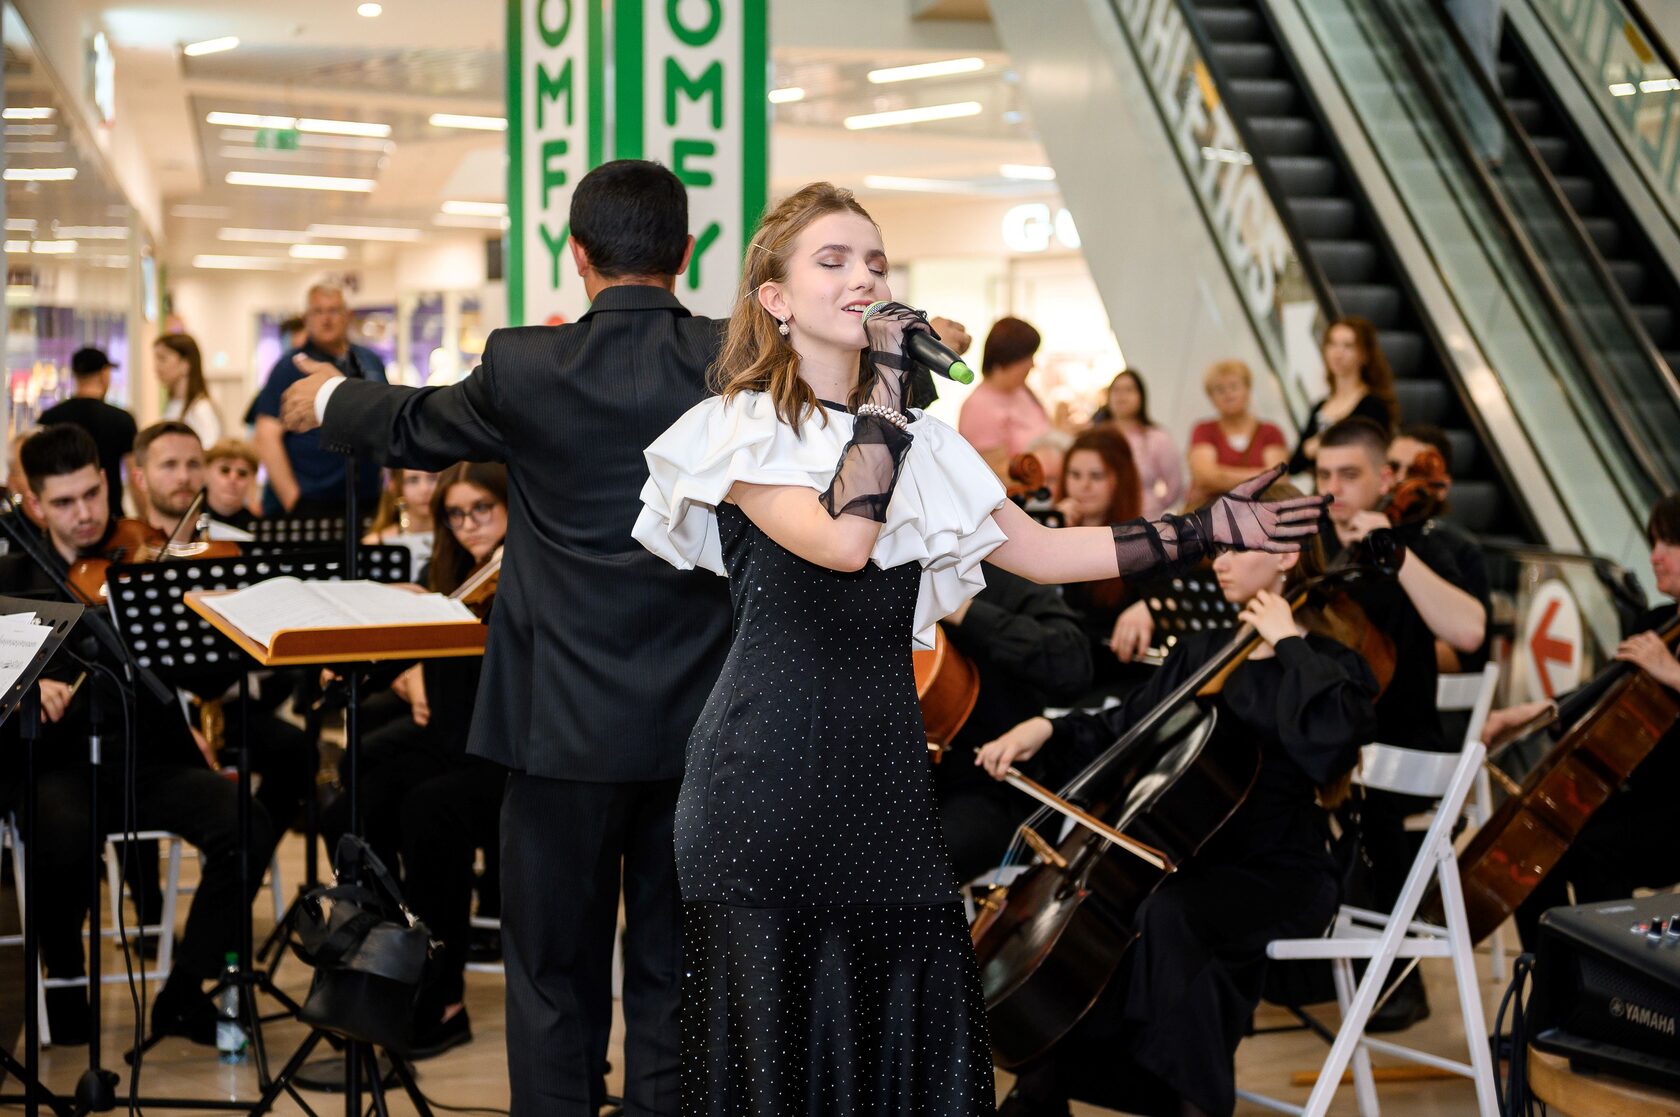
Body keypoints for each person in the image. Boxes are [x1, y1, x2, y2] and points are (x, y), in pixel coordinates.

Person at [630, 181, 1328, 1115]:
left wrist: (1200, 529)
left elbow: (1044, 552)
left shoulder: (919, 441)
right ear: (776, 298)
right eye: (832, 261)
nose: (863, 277)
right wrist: (890, 386)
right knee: (781, 1067)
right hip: (765, 785)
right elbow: (845, 539)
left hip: (885, 784)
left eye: (874, 261)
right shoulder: (744, 425)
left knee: (910, 1052)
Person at [280, 160, 736, 1117]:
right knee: (674, 971)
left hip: (557, 727)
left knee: (551, 974)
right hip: (699, 726)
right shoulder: (734, 358)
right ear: (687, 252)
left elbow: (416, 422)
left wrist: (325, 400)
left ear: (577, 256)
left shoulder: (528, 364)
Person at [975, 483, 1378, 1117]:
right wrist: (1047, 729)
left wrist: (1288, 642)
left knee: (1172, 915)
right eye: (1218, 547)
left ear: (1286, 554)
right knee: (1131, 912)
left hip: (1281, 871)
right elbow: (1126, 730)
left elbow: (1333, 744)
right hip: (1187, 861)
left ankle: (1183, 1100)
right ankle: (1051, 1083)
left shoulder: (1329, 661)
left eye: (1236, 547)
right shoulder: (1203, 652)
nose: (1219, 561)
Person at [0, 424, 271, 1046]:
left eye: (92, 494)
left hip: (145, 759)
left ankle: (184, 991)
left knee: (245, 822)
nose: (85, 514)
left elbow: (206, 675)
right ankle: (66, 984)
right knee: (61, 831)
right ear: (35, 504)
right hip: (58, 766)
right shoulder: (12, 577)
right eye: (64, 502)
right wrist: (24, 689)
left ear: (107, 481)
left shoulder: (145, 560)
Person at [321, 462, 509, 1057]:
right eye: (455, 514)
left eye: (481, 509)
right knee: (349, 802)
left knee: (430, 812)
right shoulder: (452, 572)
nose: (468, 524)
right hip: (451, 737)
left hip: (508, 750)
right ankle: (389, 964)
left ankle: (443, 997)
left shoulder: (530, 569)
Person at [1315, 416, 1486, 1030]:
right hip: (1334, 744)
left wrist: (1394, 549)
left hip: (1399, 749)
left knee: (1359, 796)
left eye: (1349, 475)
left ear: (1385, 479)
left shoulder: (1418, 546)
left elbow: (1469, 632)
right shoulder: (1316, 544)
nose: (1334, 489)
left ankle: (1391, 973)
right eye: (1324, 475)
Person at [1481, 492, 1679, 949]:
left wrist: (1672, 672)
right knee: (1533, 850)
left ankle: (1607, 978)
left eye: (1669, 543)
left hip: (1675, 812)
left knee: (1595, 850)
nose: (1655, 556)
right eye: (1653, 542)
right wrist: (1529, 713)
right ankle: (1553, 977)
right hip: (1640, 799)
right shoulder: (1657, 622)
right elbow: (1600, 694)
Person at [932, 565, 1093, 884]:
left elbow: (1072, 665)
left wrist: (961, 611)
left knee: (914, 867)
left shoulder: (988, 566)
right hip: (892, 787)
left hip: (996, 781)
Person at [250, 283, 386, 516]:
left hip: (366, 497)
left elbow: (385, 423)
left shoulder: (369, 362)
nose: (326, 319)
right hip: (311, 500)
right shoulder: (291, 366)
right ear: (307, 318)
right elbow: (266, 436)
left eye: (333, 310)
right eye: (318, 311)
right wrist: (294, 501)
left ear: (348, 315)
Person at [1388, 423, 1492, 673]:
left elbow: (1467, 657)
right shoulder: (1360, 534)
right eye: (1393, 467)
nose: (1400, 480)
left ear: (1442, 488)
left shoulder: (1459, 551)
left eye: (1415, 471)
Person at [1055, 427, 1146, 689]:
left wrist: (1151, 606)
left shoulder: (1139, 544)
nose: (1083, 486)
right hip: (1056, 673)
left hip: (1113, 680)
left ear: (1120, 481)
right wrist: (1053, 531)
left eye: (1096, 476)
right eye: (1075, 475)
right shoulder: (1050, 532)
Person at [1286, 316, 1399, 475]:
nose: (1338, 353)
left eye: (1348, 346)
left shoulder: (1373, 405)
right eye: (1332, 344)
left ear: (1364, 354)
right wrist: (1308, 449)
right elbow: (1294, 465)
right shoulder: (1320, 406)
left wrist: (1319, 446)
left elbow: (1373, 456)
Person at [39, 345, 137, 520]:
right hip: (111, 515)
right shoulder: (122, 419)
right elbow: (134, 476)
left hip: (65, 516)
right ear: (104, 373)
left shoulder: (49, 418)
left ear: (76, 374)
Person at [1186, 359, 1289, 509]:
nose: (1228, 394)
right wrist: (1261, 476)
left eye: (1234, 386)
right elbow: (1205, 477)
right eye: (1220, 389)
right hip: (1212, 513)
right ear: (1211, 397)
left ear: (1248, 389)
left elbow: (1278, 479)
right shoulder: (1203, 430)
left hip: (1261, 513)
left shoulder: (1270, 431)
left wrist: (1220, 477)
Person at [957, 316, 1051, 476]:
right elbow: (997, 474)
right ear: (1007, 359)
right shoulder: (979, 407)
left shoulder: (1022, 390)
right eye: (1028, 357)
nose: (1032, 365)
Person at [1098, 369, 1184, 518]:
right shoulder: (1096, 437)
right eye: (1116, 390)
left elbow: (1174, 484)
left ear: (1141, 396)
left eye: (1129, 390)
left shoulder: (1157, 437)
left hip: (1144, 516)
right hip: (1101, 516)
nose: (1122, 396)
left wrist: (1154, 503)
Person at [363, 467, 438, 580]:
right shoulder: (375, 543)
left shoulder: (458, 537)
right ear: (394, 486)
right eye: (413, 480)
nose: (425, 489)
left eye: (433, 478)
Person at [154, 333, 224, 447]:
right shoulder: (173, 404)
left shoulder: (200, 409)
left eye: (163, 359)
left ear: (185, 364)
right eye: (156, 359)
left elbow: (208, 451)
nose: (157, 367)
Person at [204, 438, 261, 531]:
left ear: (252, 479)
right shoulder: (186, 518)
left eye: (242, 473)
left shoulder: (257, 528)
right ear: (206, 472)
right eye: (225, 470)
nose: (233, 479)